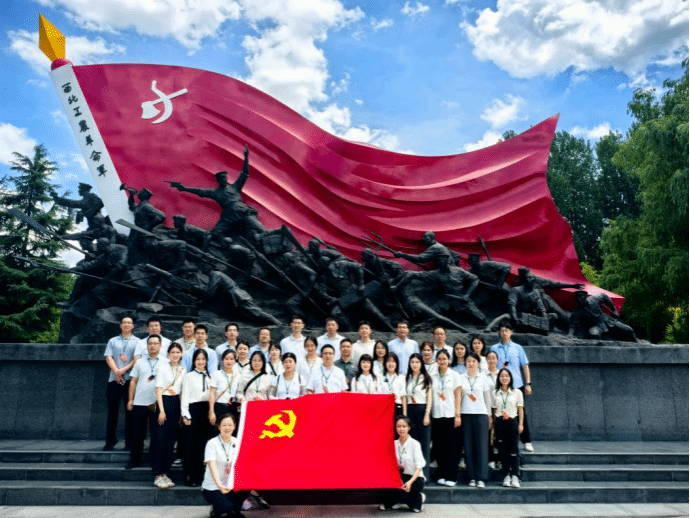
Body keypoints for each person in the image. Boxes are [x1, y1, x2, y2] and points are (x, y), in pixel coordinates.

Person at [490, 321, 534, 452]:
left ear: (511, 332)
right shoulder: (494, 348)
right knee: (498, 412)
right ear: (498, 332)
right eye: (501, 330)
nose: (504, 333)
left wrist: (528, 383)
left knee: (521, 413)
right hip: (500, 385)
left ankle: (526, 441)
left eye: (506, 330)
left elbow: (525, 366)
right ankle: (498, 441)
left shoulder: (518, 348)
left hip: (516, 386)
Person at [126, 334, 166, 470]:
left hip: (157, 403)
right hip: (139, 403)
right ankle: (134, 460)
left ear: (160, 346)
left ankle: (154, 460)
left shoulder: (166, 362)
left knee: (156, 434)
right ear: (146, 346)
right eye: (150, 343)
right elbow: (133, 381)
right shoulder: (139, 362)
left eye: (155, 343)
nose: (152, 346)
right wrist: (130, 399)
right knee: (137, 433)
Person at [202, 413, 249, 518]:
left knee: (246, 487)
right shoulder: (212, 443)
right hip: (214, 486)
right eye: (224, 425)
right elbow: (212, 467)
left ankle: (234, 511)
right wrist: (220, 486)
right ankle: (216, 511)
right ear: (219, 427)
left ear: (234, 426)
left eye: (230, 425)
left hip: (231, 484)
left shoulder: (238, 442)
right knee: (226, 506)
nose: (227, 428)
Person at [152, 342, 185, 489]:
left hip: (176, 403)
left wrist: (181, 412)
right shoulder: (162, 368)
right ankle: (157, 475)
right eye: (173, 352)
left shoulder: (183, 370)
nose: (175, 355)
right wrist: (161, 410)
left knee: (171, 441)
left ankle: (165, 473)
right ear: (168, 354)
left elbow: (181, 392)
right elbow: (158, 389)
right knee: (160, 440)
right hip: (164, 402)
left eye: (178, 352)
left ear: (181, 354)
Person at [103, 315, 139, 451]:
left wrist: (123, 370)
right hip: (114, 380)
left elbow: (136, 359)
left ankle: (129, 442)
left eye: (129, 323)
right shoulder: (113, 341)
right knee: (112, 412)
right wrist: (116, 372)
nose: (127, 325)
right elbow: (108, 357)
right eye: (124, 322)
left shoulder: (138, 342)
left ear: (133, 326)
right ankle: (110, 440)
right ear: (120, 325)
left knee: (130, 412)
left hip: (130, 380)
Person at [458, 352, 493, 488]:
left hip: (481, 415)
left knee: (481, 447)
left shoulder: (483, 378)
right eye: (468, 361)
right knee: (468, 447)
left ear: (478, 363)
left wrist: (489, 416)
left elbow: (487, 399)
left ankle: (481, 477)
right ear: (465, 363)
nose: (471, 364)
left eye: (473, 361)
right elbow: (459, 397)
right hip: (465, 414)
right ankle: (471, 476)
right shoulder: (461, 378)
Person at [378, 416, 426, 513]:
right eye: (398, 426)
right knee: (385, 490)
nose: (401, 429)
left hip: (415, 478)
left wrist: (410, 482)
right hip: (399, 476)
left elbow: (419, 468)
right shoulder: (393, 444)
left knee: (401, 490)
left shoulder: (414, 444)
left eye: (404, 426)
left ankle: (418, 498)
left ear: (409, 428)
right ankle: (409, 499)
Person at [429, 349, 462, 487]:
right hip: (437, 415)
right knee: (439, 446)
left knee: (451, 447)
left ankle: (452, 476)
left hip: (450, 415)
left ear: (449, 360)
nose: (442, 361)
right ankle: (441, 474)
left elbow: (458, 396)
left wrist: (458, 414)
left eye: (444, 359)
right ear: (436, 361)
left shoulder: (454, 375)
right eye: (439, 359)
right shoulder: (432, 376)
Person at [181, 348, 212, 486]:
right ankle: (189, 475)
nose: (201, 362)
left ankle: (200, 474)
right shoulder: (189, 376)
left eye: (203, 359)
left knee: (202, 445)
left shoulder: (210, 376)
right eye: (198, 359)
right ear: (194, 361)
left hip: (206, 411)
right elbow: (185, 397)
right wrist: (185, 415)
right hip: (192, 410)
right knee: (190, 444)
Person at [492, 368, 524, 488]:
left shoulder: (517, 392)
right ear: (499, 378)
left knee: (514, 451)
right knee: (503, 451)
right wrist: (494, 427)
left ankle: (515, 475)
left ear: (510, 378)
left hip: (512, 422)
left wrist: (520, 424)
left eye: (507, 376)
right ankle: (506, 475)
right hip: (500, 423)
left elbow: (520, 409)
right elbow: (494, 410)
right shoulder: (495, 392)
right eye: (502, 376)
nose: (504, 378)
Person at [404, 353, 432, 480]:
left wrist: (427, 414)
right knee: (411, 443)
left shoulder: (426, 378)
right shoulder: (407, 378)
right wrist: (405, 416)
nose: (414, 364)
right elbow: (405, 397)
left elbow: (429, 398)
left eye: (417, 362)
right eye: (412, 362)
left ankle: (424, 474)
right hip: (410, 410)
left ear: (421, 364)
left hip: (422, 411)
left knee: (424, 444)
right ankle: (412, 475)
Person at [209, 349, 241, 429]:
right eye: (226, 359)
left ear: (235, 361)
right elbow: (212, 393)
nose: (229, 361)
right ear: (222, 360)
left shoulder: (238, 375)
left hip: (233, 408)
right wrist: (211, 411)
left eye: (231, 359)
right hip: (219, 407)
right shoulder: (216, 374)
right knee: (218, 430)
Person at [381, 352, 406, 419]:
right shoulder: (380, 377)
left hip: (397, 406)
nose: (390, 364)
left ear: (397, 364)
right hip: (384, 407)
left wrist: (404, 414)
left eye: (393, 361)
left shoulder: (401, 377)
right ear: (385, 363)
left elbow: (403, 397)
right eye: (388, 361)